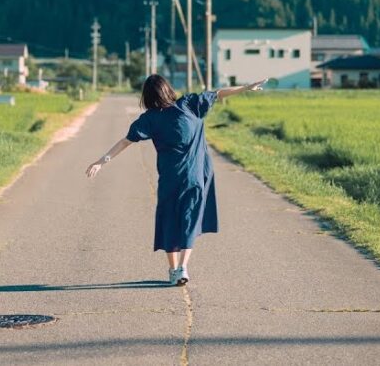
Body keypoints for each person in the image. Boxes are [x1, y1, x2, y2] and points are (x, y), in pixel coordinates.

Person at [85, 74, 268, 286]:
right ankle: (183, 267)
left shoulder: (150, 119)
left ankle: (174, 270)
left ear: (147, 96)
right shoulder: (189, 104)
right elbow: (218, 93)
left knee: (170, 220)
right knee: (189, 219)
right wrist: (246, 87)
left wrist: (101, 161)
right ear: (167, 89)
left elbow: (126, 142)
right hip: (196, 175)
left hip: (169, 179)